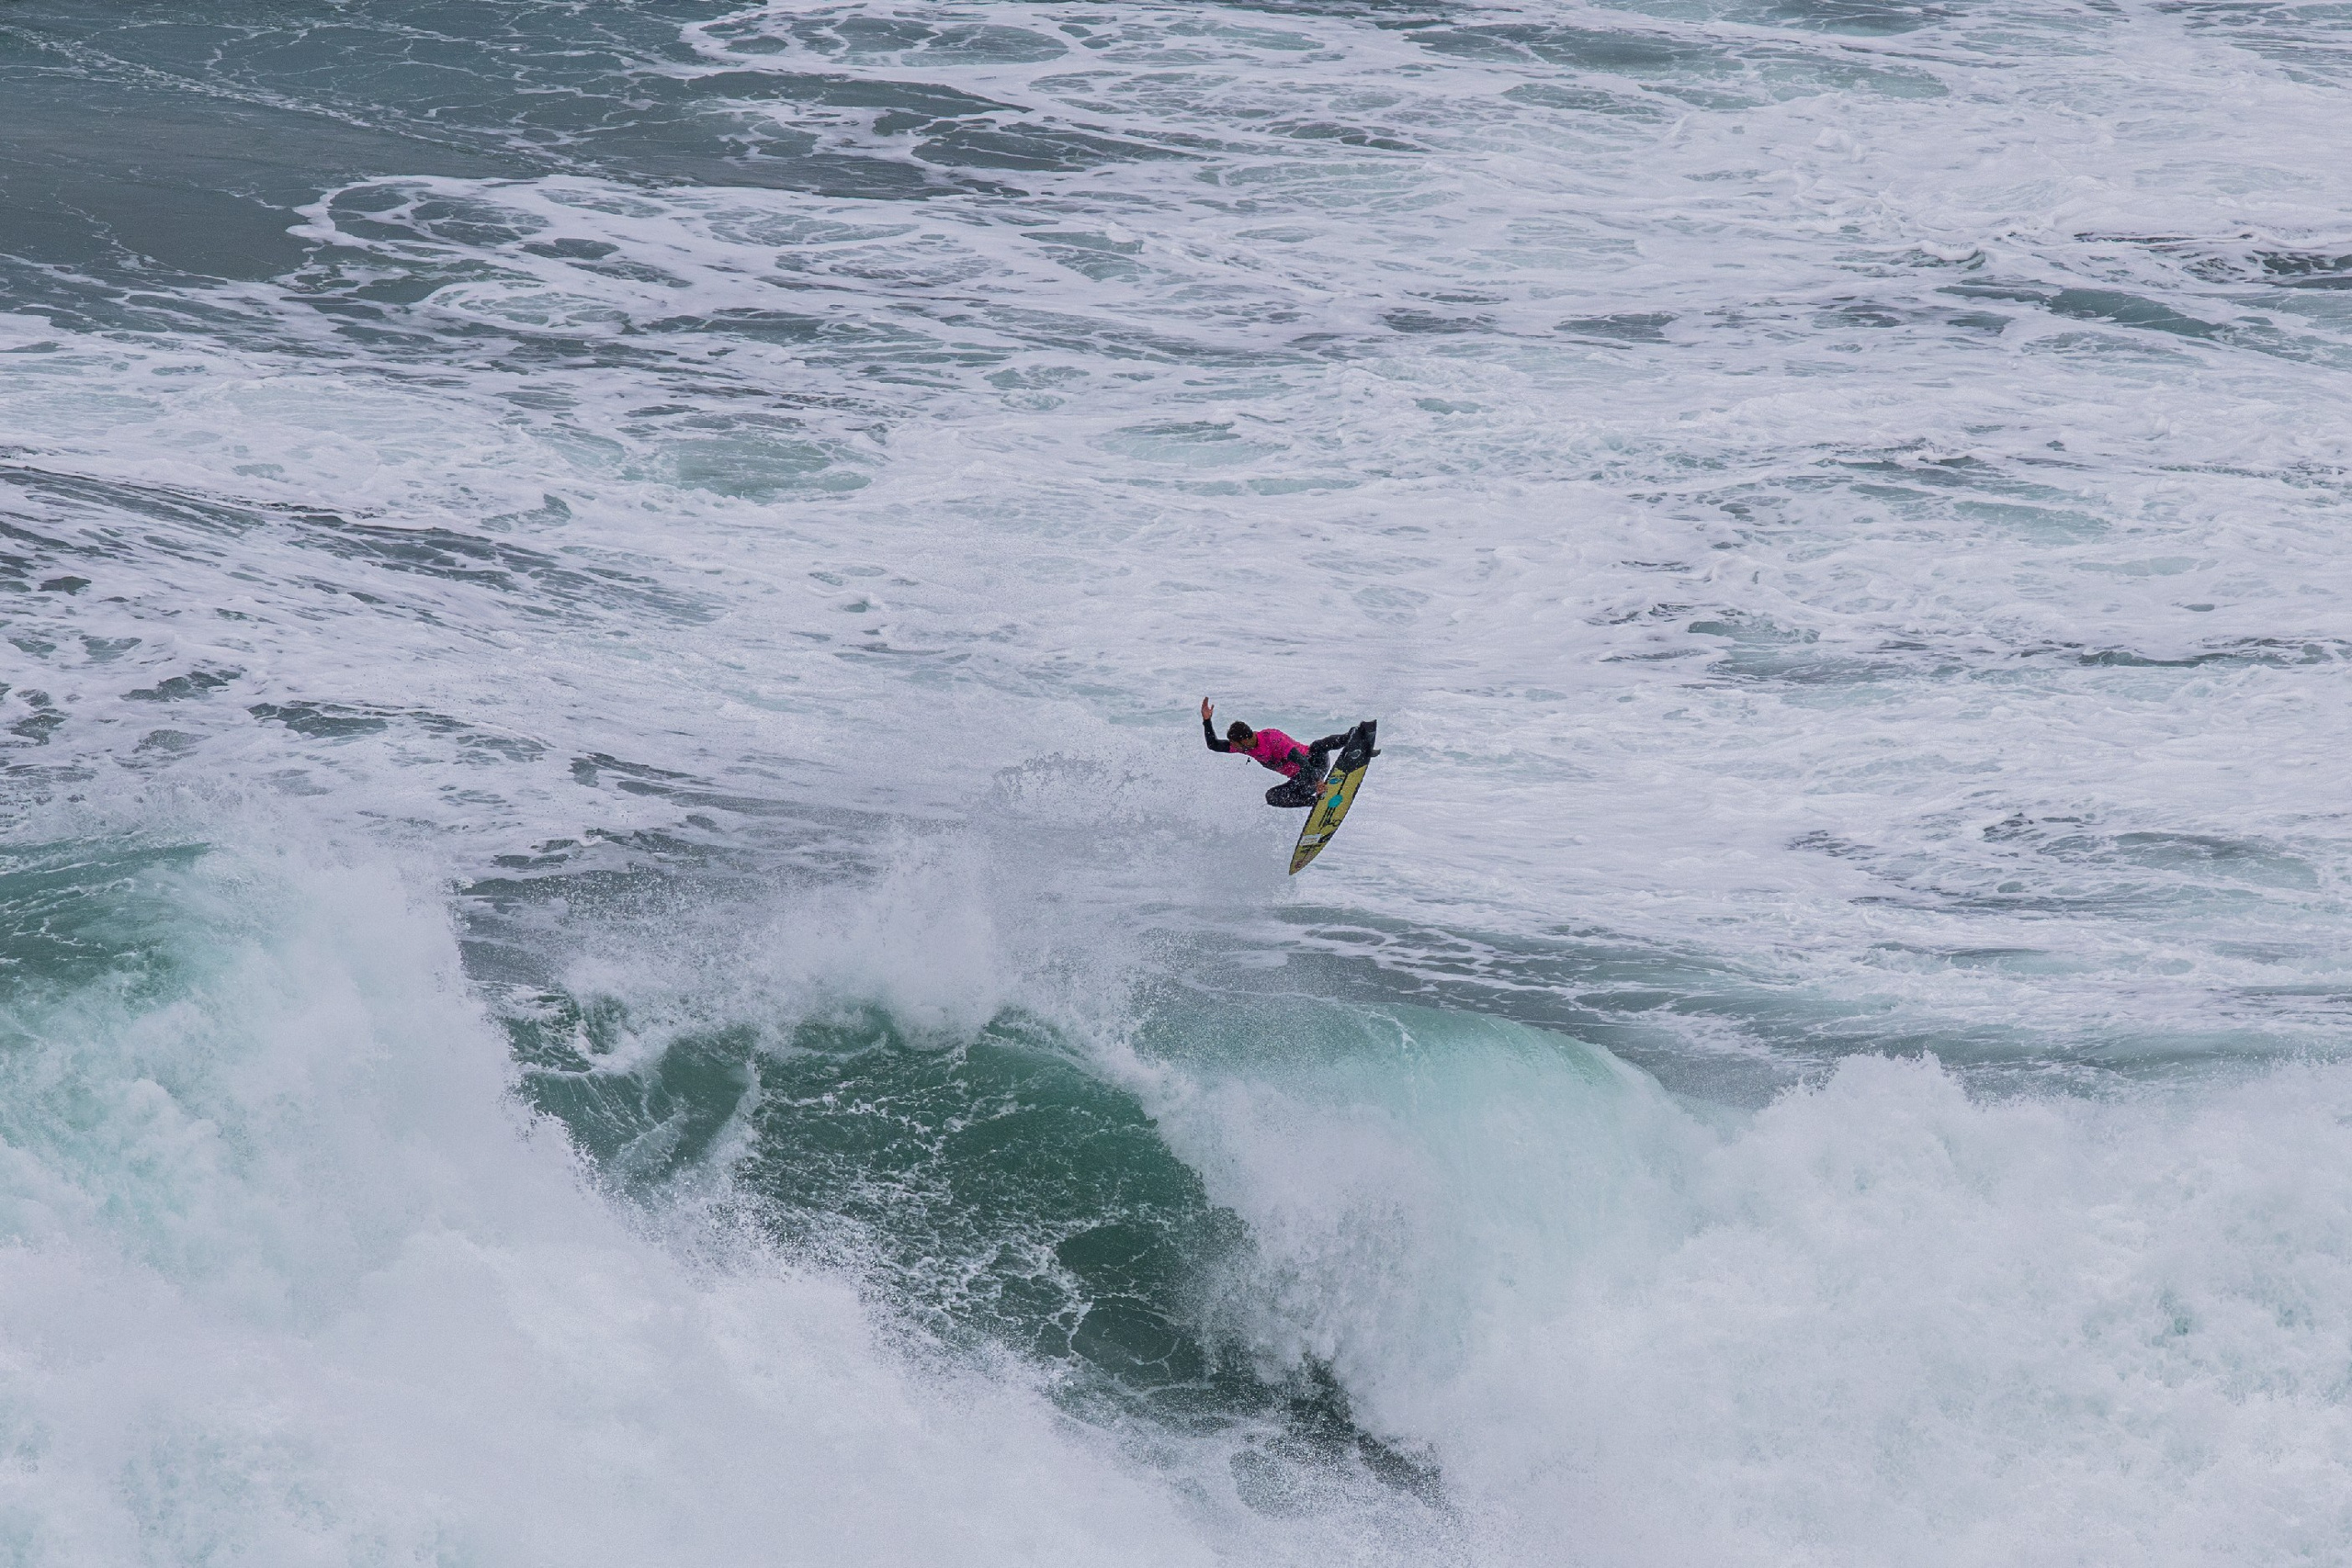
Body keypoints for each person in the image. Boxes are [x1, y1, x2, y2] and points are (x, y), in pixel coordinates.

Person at [1201, 697, 1358, 808]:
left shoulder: (1272, 739)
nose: (1236, 748)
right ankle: (1315, 803)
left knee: (1317, 746)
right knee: (1272, 797)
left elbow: (1301, 761)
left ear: (1246, 739)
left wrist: (1318, 781)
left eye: (1237, 745)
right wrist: (1207, 721)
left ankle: (1351, 737)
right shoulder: (1246, 746)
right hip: (1301, 781)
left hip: (1314, 765)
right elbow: (1214, 745)